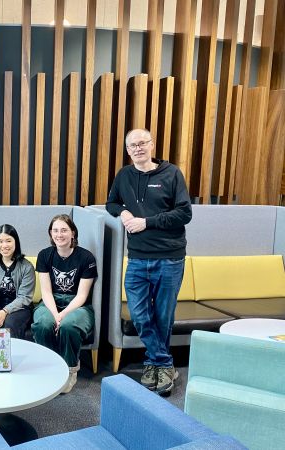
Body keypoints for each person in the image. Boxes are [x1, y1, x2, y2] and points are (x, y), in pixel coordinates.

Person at [106, 128, 192, 396]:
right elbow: (111, 203)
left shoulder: (171, 174)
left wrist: (147, 222)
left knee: (163, 317)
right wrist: (123, 212)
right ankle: (164, 362)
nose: (138, 148)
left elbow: (184, 213)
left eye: (142, 143)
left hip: (169, 257)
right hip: (138, 260)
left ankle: (155, 365)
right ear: (128, 149)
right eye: (133, 145)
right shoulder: (124, 175)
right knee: (141, 316)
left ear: (152, 145)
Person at [31, 214, 97, 394]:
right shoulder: (45, 255)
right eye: (55, 230)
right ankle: (50, 366)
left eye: (64, 230)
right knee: (43, 324)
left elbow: (82, 295)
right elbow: (46, 292)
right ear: (51, 234)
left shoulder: (86, 257)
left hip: (77, 305)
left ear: (73, 233)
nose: (59, 234)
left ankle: (70, 370)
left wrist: (63, 315)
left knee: (68, 326)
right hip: (51, 301)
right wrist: (54, 314)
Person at [0, 224, 34, 339]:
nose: (4, 245)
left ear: (16, 242)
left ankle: (11, 356)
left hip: (19, 308)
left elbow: (24, 297)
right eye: (0, 241)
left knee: (9, 324)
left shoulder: (26, 266)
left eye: (8, 241)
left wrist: (5, 311)